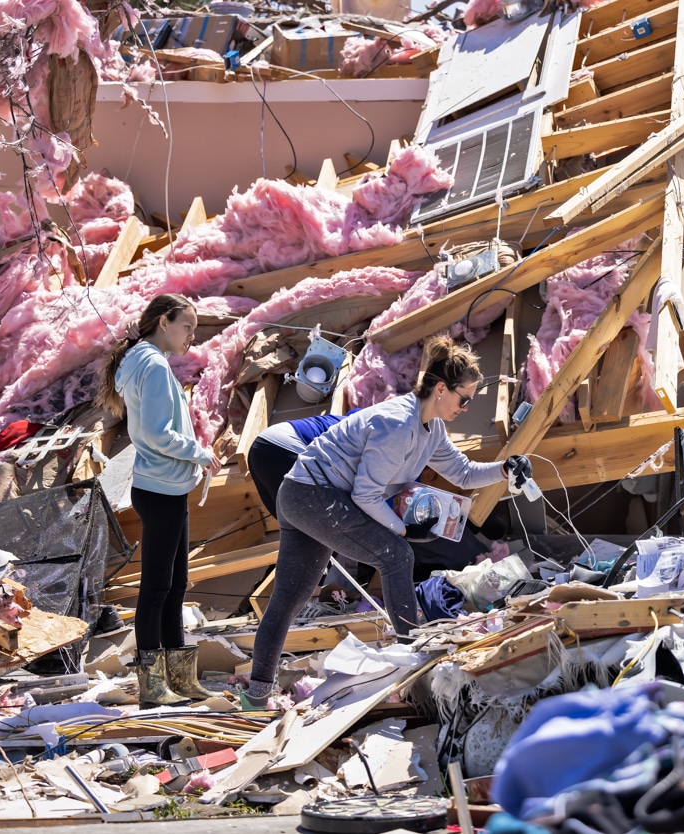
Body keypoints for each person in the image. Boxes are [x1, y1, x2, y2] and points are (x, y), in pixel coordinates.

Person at [240, 335, 532, 708]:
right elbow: (365, 496)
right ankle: (418, 661)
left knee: (290, 596)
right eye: (465, 398)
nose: (466, 406)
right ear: (441, 389)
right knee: (396, 555)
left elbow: (462, 472)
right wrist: (404, 530)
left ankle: (256, 694)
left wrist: (505, 469)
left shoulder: (432, 428)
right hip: (310, 495)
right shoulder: (398, 425)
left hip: (305, 494)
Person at [96, 294, 222, 707]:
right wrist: (200, 453)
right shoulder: (151, 364)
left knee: (176, 584)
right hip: (160, 489)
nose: (191, 336)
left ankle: (180, 681)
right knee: (156, 588)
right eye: (187, 326)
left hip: (166, 488)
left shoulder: (144, 360)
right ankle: (152, 687)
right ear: (163, 322)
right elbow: (151, 434)